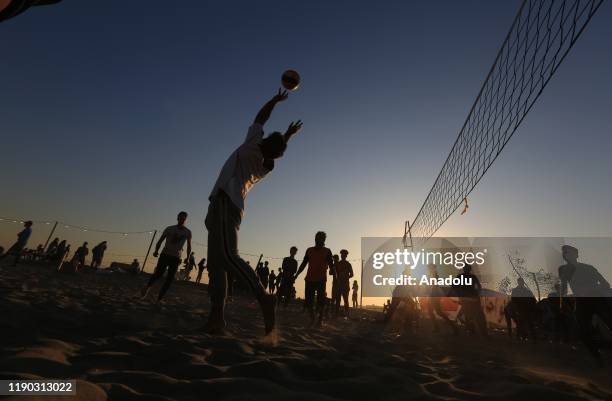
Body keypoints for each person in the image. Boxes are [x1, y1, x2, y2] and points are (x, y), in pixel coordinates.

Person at [204, 88, 302, 335]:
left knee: (227, 256)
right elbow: (265, 128)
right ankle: (217, 317)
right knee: (216, 264)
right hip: (219, 203)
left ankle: (263, 297)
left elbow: (261, 120)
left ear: (268, 143)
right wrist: (286, 131)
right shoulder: (262, 156)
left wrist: (275, 104)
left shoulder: (258, 153)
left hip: (228, 203)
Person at [559, 245, 612, 362]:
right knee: (582, 330)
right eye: (565, 253)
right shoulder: (563, 269)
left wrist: (594, 289)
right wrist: (562, 303)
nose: (567, 255)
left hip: (596, 298)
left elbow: (605, 284)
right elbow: (563, 288)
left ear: (576, 255)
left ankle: (600, 352)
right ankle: (597, 357)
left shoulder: (589, 268)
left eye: (570, 253)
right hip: (583, 302)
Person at [141, 211, 192, 303]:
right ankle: (147, 288)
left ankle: (159, 298)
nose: (182, 220)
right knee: (159, 273)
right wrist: (156, 250)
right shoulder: (169, 229)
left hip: (176, 257)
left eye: (184, 218)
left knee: (170, 278)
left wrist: (187, 258)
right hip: (165, 254)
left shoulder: (187, 232)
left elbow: (189, 246)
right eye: (180, 218)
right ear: (177, 218)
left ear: (186, 220)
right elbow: (160, 240)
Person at [295, 231, 334, 327]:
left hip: (321, 280)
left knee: (321, 301)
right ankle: (312, 318)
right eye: (318, 237)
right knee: (308, 301)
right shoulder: (309, 250)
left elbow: (332, 265)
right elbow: (304, 264)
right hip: (309, 279)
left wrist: (335, 276)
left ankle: (320, 320)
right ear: (315, 238)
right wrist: (296, 275)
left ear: (324, 240)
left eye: (322, 238)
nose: (319, 239)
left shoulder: (327, 251)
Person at [452, 264, 487, 337]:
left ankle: (471, 329)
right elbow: (479, 287)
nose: (466, 270)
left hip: (468, 299)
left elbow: (454, 286)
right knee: (470, 314)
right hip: (472, 298)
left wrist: (459, 294)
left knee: (468, 314)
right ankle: (471, 329)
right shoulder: (472, 277)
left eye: (466, 268)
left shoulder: (462, 277)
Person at [426, 264, 458, 334]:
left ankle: (453, 327)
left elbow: (434, 286)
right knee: (434, 312)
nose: (428, 269)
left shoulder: (434, 275)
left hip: (434, 296)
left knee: (437, 312)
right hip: (433, 296)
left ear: (432, 268)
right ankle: (438, 327)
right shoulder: (432, 275)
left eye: (429, 268)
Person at [510, 277, 538, 341]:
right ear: (518, 282)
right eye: (520, 281)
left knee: (529, 323)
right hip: (520, 309)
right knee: (520, 323)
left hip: (527, 309)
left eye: (522, 281)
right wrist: (516, 310)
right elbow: (513, 301)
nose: (521, 283)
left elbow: (533, 300)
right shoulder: (515, 291)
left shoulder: (527, 291)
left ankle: (533, 337)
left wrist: (532, 307)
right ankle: (521, 336)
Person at [334, 249, 354, 317]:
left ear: (346, 256)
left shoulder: (348, 264)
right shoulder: (338, 264)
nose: (343, 255)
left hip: (345, 285)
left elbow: (351, 274)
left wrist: (345, 276)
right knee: (338, 300)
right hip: (339, 284)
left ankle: (346, 314)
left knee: (345, 300)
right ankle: (336, 314)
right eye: (342, 254)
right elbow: (332, 272)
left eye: (344, 254)